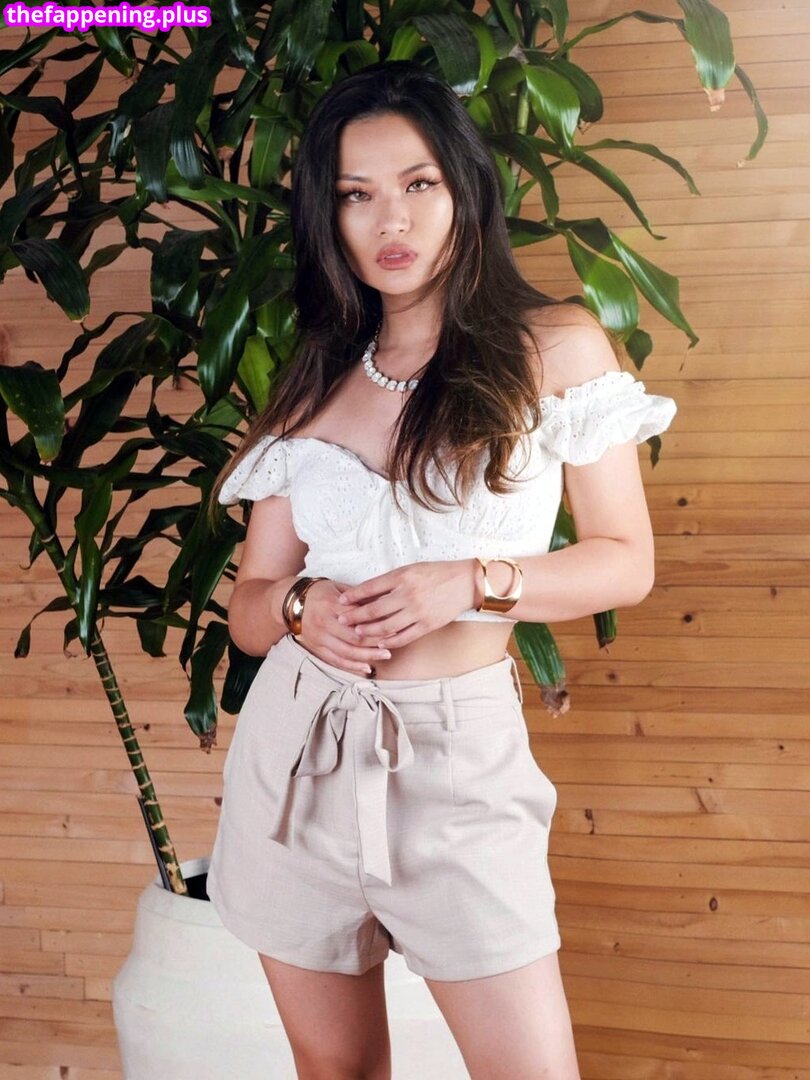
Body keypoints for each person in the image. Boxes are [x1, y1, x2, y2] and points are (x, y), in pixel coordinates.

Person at [206, 60, 676, 1080]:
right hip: (298, 759)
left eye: (418, 183)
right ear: (328, 218)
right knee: (337, 1072)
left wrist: (467, 581)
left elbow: (624, 562)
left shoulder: (555, 348)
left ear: (464, 188)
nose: (392, 219)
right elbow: (248, 606)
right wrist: (303, 606)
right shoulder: (312, 386)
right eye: (356, 194)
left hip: (459, 765)